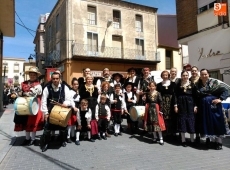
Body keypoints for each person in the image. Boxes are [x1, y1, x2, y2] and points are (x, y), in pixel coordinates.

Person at [196, 69, 228, 150]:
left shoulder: (215, 82)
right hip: (204, 108)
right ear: (200, 75)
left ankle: (219, 142)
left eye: (205, 74)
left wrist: (220, 99)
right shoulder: (198, 84)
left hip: (215, 107)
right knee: (207, 123)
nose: (204, 76)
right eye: (202, 74)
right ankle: (208, 141)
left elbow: (227, 89)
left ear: (208, 74)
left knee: (216, 123)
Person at [40, 72, 72, 152]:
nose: (55, 80)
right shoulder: (47, 88)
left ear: (59, 79)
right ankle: (46, 143)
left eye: (57, 78)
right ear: (51, 79)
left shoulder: (65, 87)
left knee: (63, 128)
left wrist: (65, 104)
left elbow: (69, 99)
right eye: (53, 78)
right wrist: (46, 113)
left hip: (61, 111)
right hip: (51, 111)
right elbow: (43, 101)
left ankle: (62, 140)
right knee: (47, 129)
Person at [14, 66, 44, 146]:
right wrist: (19, 93)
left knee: (33, 122)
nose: (32, 76)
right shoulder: (24, 83)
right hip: (24, 104)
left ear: (36, 76)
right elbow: (19, 92)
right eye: (31, 74)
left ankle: (33, 139)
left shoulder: (38, 85)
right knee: (25, 121)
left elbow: (33, 93)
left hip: (34, 104)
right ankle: (27, 138)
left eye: (34, 75)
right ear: (29, 75)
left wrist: (24, 93)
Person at [174, 70, 197, 147]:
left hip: (190, 104)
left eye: (186, 75)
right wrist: (176, 105)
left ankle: (192, 140)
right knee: (182, 120)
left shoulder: (192, 84)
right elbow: (175, 95)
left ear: (188, 76)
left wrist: (195, 106)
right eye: (183, 75)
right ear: (181, 76)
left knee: (191, 120)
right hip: (181, 104)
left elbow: (195, 96)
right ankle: (183, 140)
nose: (185, 77)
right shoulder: (178, 84)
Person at [157, 70, 177, 140]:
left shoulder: (173, 84)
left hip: (171, 103)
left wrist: (175, 104)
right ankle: (164, 132)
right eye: (163, 75)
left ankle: (171, 133)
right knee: (163, 117)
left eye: (166, 75)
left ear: (168, 76)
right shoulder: (159, 85)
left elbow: (175, 95)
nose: (165, 76)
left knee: (171, 117)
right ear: (161, 76)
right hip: (163, 103)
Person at [67, 78, 80, 143]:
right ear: (72, 85)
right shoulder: (70, 92)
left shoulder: (78, 91)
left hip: (77, 108)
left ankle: (72, 135)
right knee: (70, 124)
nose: (76, 85)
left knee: (74, 123)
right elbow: (70, 100)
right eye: (74, 84)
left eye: (77, 84)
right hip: (71, 108)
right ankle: (68, 137)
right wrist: (74, 107)